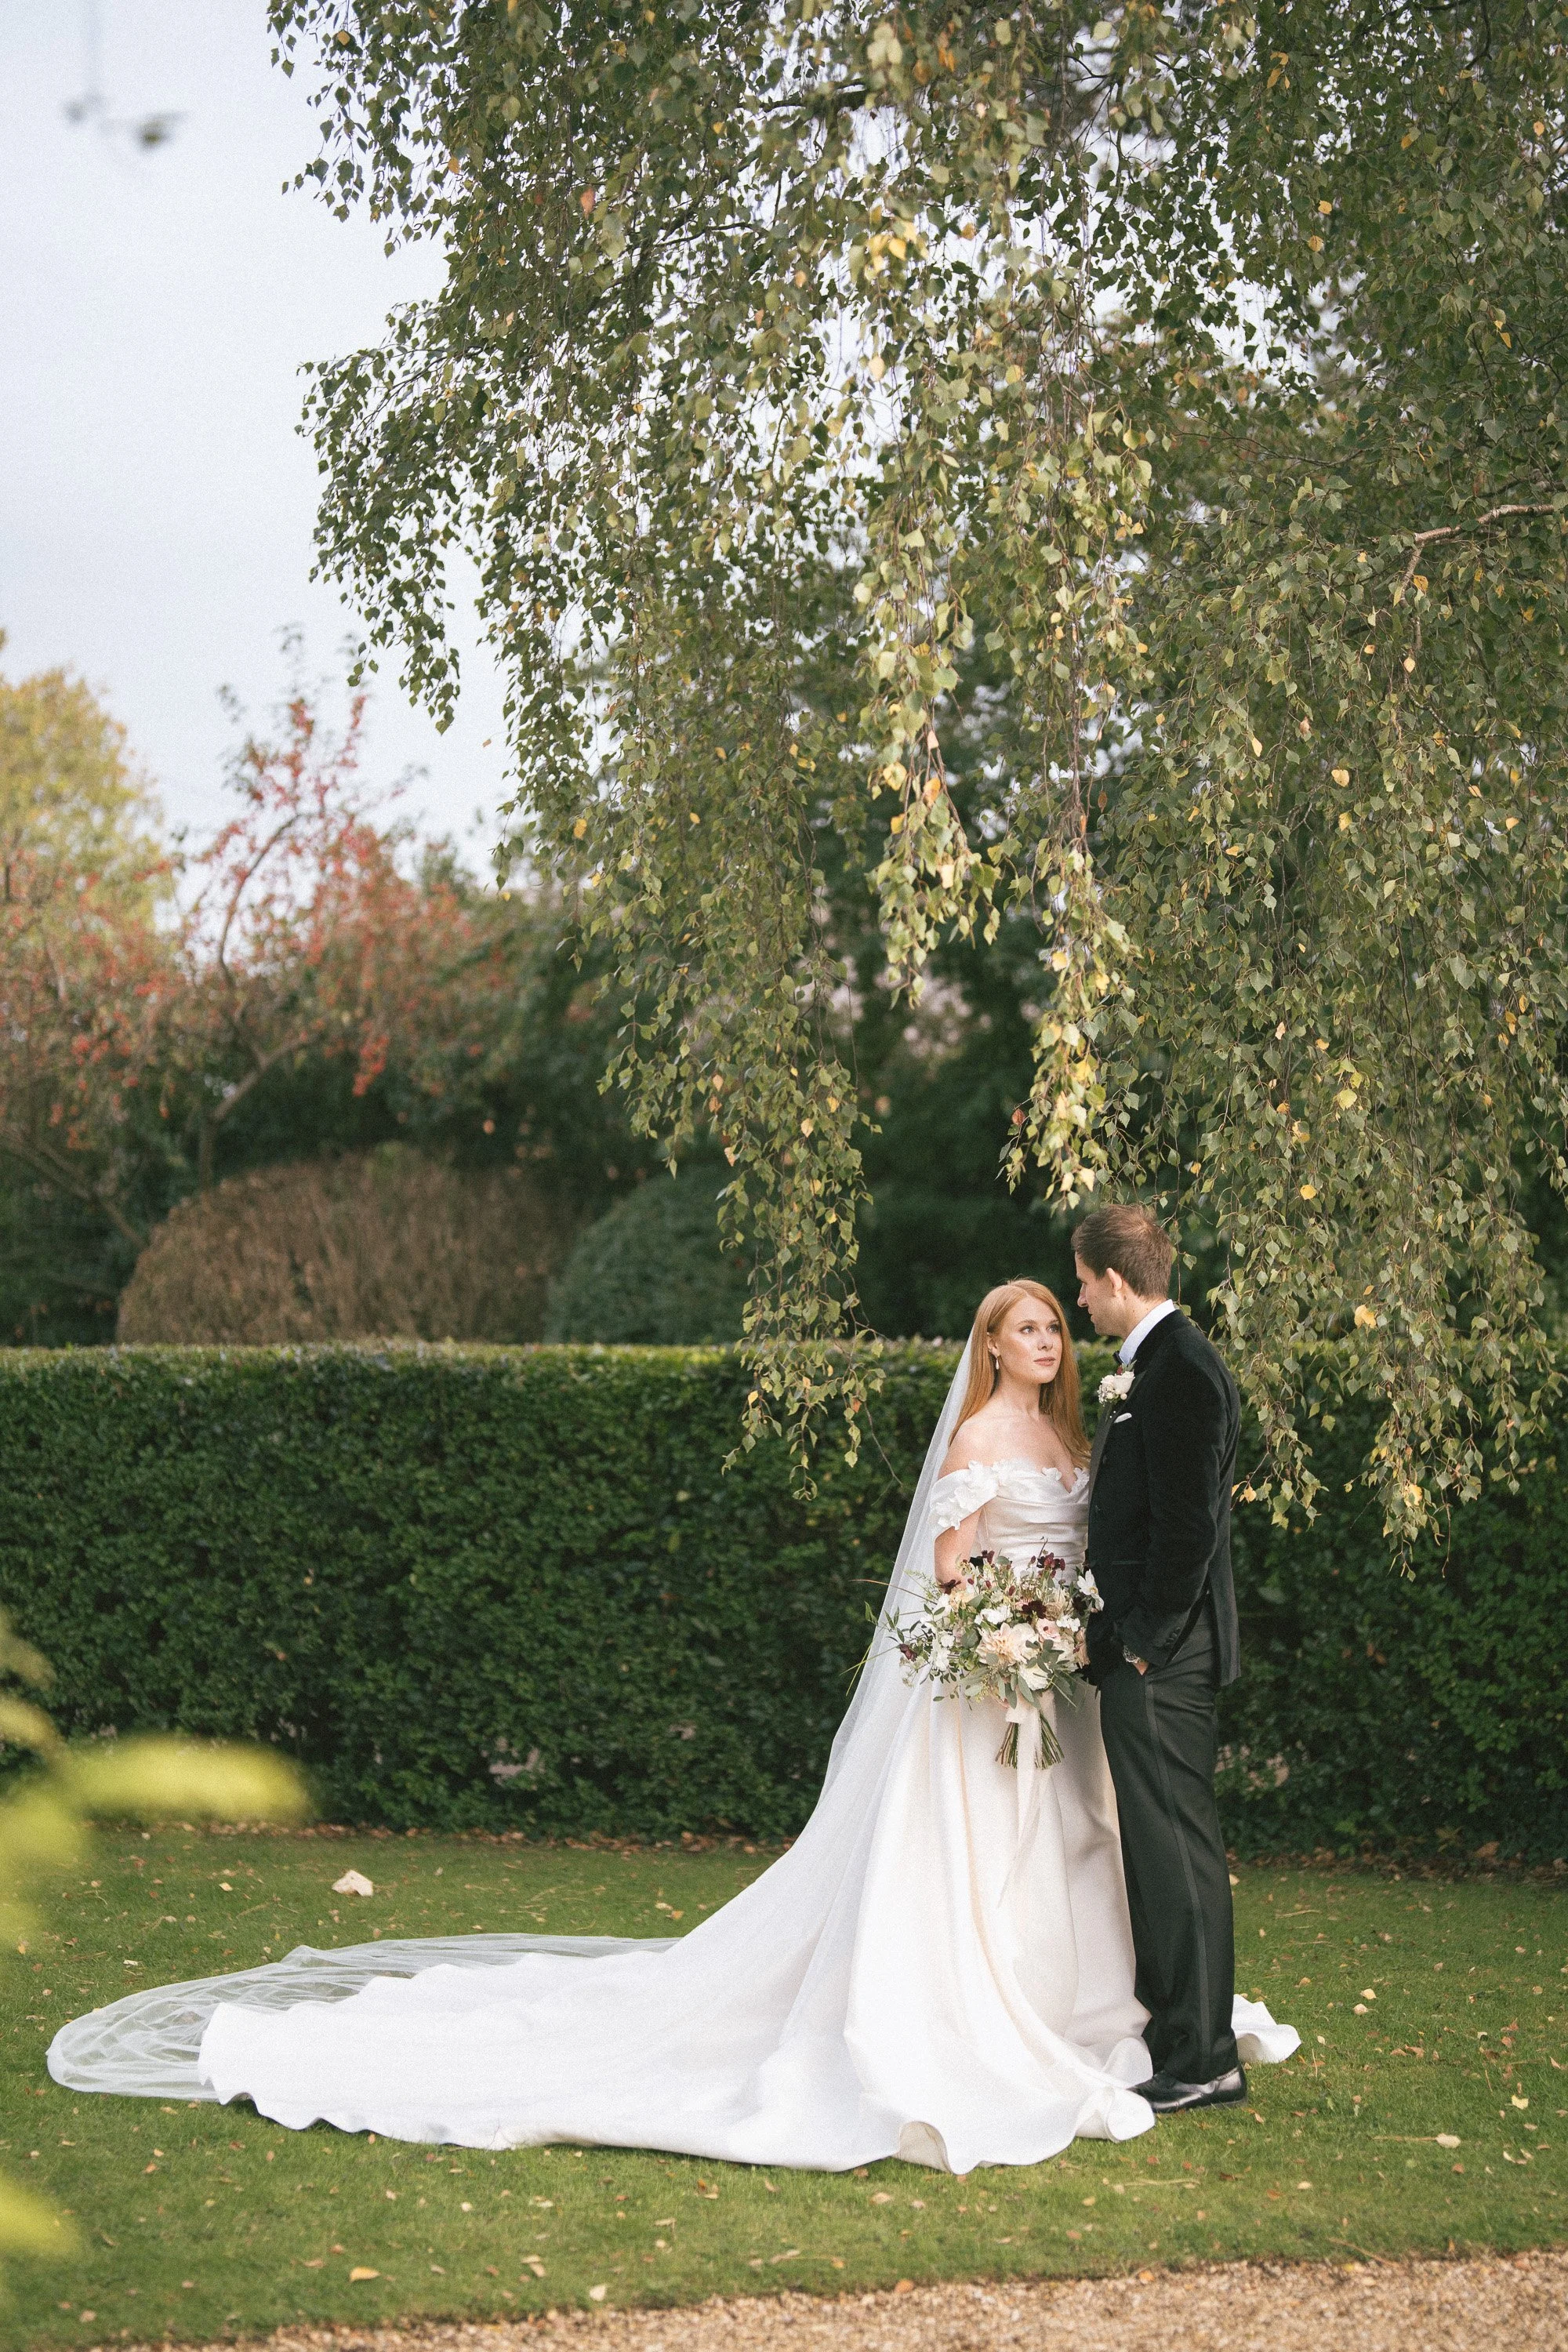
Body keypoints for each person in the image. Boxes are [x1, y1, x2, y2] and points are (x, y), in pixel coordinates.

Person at [49, 1279, 1294, 2169]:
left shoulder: (1081, 1430)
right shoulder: (975, 1434)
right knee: (976, 1865)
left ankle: (1102, 2013)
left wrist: (1055, 1631)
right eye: (1023, 1324)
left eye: (1050, 1322)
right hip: (989, 1687)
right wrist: (997, 1639)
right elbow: (952, 1564)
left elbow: (1104, 1534)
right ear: (990, 1344)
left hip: (1057, 1687)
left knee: (1078, 1850)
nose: (1043, 1336)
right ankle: (972, 2021)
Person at [1073, 1203, 1247, 2114]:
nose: (1078, 1300)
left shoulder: (1180, 1370)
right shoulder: (1156, 1364)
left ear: (1112, 1278)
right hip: (1152, 1653)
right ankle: (1182, 2036)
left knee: (1175, 1850)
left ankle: (1203, 2055)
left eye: (1081, 1281)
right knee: (1159, 1848)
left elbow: (1190, 1530)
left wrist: (1141, 1645)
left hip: (1163, 1659)